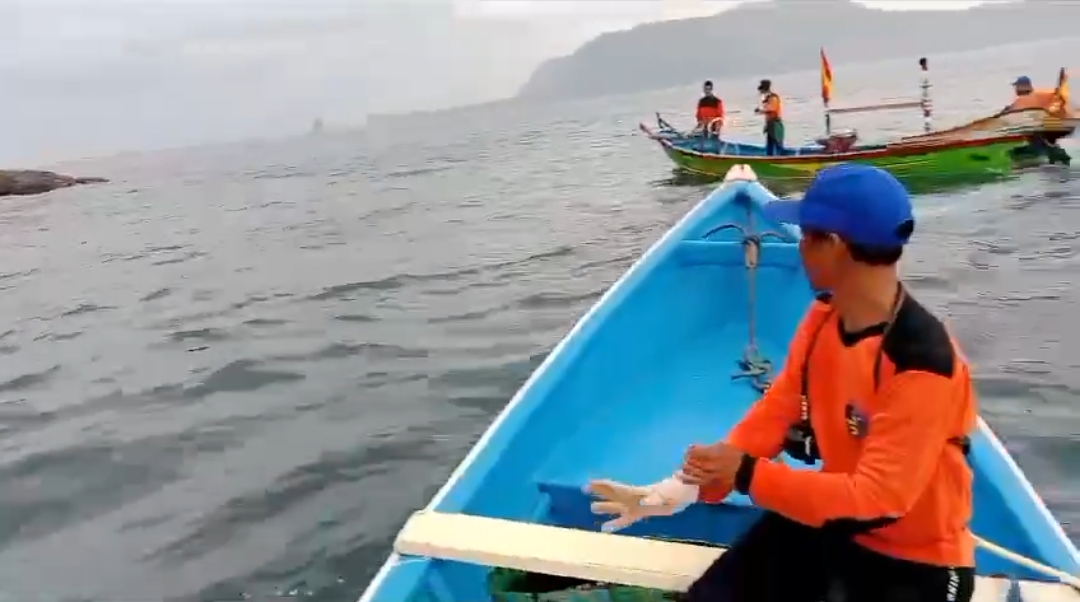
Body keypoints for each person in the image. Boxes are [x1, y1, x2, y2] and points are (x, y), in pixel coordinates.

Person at [588, 164, 978, 602]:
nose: (800, 249)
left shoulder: (920, 363)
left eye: (806, 236)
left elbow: (877, 499)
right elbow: (777, 411)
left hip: (917, 561)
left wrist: (748, 475)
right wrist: (676, 490)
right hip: (832, 527)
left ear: (831, 244)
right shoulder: (822, 320)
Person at [754, 79, 784, 156]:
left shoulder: (773, 98)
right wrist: (766, 125)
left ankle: (780, 159)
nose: (760, 92)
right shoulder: (767, 98)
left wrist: (760, 110)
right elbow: (768, 113)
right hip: (770, 124)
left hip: (775, 125)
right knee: (769, 145)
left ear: (764, 89)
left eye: (761, 90)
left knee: (777, 144)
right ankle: (769, 158)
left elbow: (772, 109)